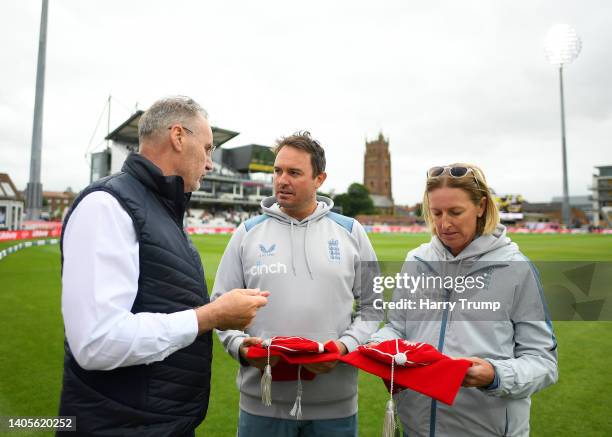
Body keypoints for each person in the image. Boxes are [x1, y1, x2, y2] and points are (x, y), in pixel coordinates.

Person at [58, 96, 269, 436]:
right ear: (178, 137)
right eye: (208, 148)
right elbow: (97, 342)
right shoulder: (107, 206)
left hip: (162, 424)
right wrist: (210, 316)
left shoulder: (160, 212)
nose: (211, 163)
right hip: (122, 426)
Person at [211, 131, 380, 437]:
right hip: (261, 403)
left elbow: (373, 306)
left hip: (336, 405)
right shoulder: (247, 233)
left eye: (294, 172)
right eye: (277, 171)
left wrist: (344, 346)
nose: (281, 180)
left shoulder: (351, 232)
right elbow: (220, 307)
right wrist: (241, 347)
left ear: (319, 178)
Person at [369, 164, 558, 437]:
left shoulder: (517, 268)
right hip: (415, 428)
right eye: (436, 213)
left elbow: (543, 362)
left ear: (481, 206)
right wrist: (377, 346)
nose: (444, 224)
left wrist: (495, 375)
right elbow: (397, 328)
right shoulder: (416, 261)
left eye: (455, 212)